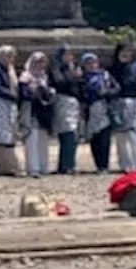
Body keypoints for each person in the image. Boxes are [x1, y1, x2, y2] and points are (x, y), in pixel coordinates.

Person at [107, 43, 136, 172]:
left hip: (133, 102)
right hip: (117, 102)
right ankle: (125, 164)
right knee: (120, 137)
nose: (126, 54)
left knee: (134, 134)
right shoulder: (111, 69)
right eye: (123, 52)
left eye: (128, 52)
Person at [0, 46, 23, 176]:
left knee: (8, 133)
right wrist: (13, 96)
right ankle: (6, 165)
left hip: (8, 105)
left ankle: (2, 165)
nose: (11, 59)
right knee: (1, 134)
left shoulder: (9, 71)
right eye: (8, 56)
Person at [19, 52, 54, 178]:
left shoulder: (45, 77)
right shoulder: (25, 76)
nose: (40, 65)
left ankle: (43, 166)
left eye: (42, 62)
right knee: (32, 139)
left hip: (44, 111)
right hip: (31, 110)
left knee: (43, 139)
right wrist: (34, 92)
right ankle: (33, 168)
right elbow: (23, 94)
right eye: (38, 62)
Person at [49, 44, 82, 174]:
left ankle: (68, 163)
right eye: (67, 54)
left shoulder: (73, 68)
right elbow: (59, 82)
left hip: (74, 101)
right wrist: (73, 77)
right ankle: (66, 165)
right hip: (63, 100)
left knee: (73, 134)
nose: (70, 57)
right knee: (68, 133)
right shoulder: (56, 68)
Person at [81, 52, 114, 173]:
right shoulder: (82, 77)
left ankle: (104, 165)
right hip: (90, 109)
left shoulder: (105, 75)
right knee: (94, 138)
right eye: (88, 63)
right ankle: (98, 164)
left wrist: (106, 93)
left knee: (105, 137)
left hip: (104, 107)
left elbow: (116, 88)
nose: (91, 65)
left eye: (93, 62)